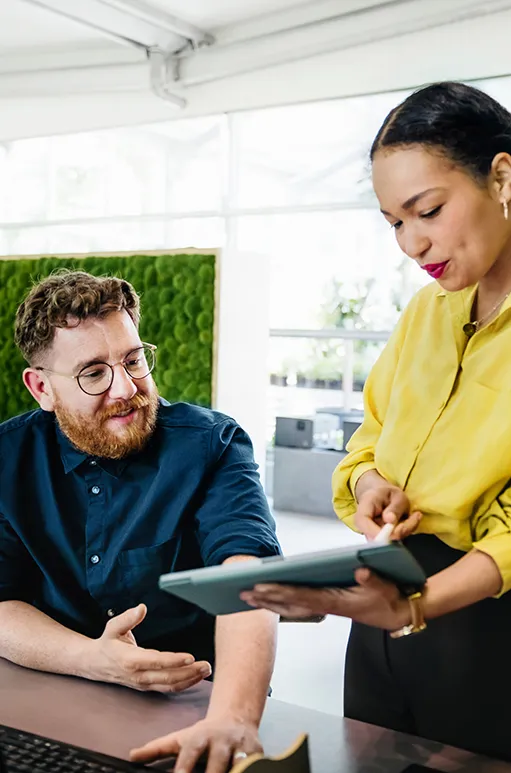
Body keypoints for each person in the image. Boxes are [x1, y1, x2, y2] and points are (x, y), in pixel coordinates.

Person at [241, 81, 511, 761]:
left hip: (486, 622)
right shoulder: (425, 312)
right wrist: (367, 488)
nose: (410, 242)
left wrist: (419, 605)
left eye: (427, 210)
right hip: (381, 616)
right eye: (393, 221)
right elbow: (368, 439)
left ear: (502, 176)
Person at [0, 269, 281, 772]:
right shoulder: (7, 458)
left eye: (133, 361)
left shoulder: (211, 445)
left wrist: (235, 718)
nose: (125, 388)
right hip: (43, 690)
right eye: (93, 373)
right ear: (41, 387)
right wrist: (91, 658)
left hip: (189, 707)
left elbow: (249, 577)